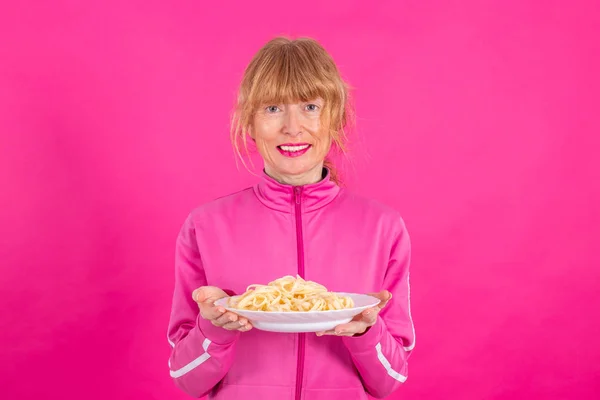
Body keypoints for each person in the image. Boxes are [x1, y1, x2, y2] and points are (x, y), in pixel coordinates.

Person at [166, 36, 415, 400]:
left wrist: (366, 333)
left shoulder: (383, 227)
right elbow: (185, 378)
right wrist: (213, 329)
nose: (293, 127)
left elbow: (390, 380)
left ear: (335, 119)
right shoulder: (205, 226)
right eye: (272, 109)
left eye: (311, 106)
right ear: (249, 123)